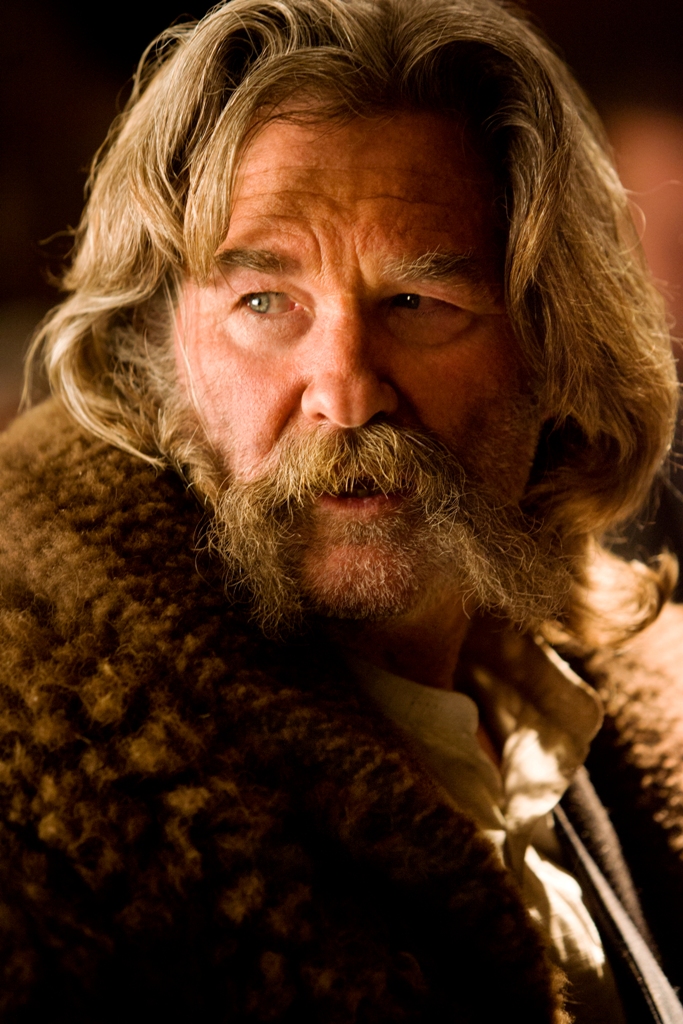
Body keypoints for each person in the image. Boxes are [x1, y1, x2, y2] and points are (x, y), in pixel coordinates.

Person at [1, 0, 682, 1020]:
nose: (346, 390)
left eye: (417, 303)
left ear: (552, 345)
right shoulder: (42, 812)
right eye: (263, 303)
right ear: (157, 351)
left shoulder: (626, 705)